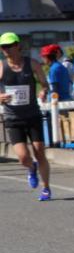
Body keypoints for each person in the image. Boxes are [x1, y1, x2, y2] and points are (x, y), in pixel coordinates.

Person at [0, 32, 52, 200]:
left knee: (39, 152)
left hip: (32, 115)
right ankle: (31, 168)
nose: (5, 49)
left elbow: (44, 83)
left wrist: (44, 90)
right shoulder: (1, 67)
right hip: (12, 117)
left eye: (8, 46)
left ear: (17, 46)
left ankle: (46, 188)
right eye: (2, 47)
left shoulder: (33, 64)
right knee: (23, 157)